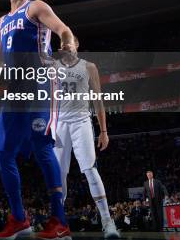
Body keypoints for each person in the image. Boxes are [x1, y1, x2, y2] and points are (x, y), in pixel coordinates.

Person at [0, 0, 74, 239]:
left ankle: (59, 220)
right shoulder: (2, 21)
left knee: (42, 146)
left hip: (39, 82)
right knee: (2, 152)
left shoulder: (36, 6)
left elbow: (63, 30)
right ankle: (19, 218)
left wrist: (68, 46)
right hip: (14, 89)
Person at [52, 36, 120, 238]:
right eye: (62, 41)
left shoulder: (89, 66)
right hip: (59, 124)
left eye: (69, 41)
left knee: (90, 170)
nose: (65, 44)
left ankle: (108, 222)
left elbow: (98, 100)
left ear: (77, 45)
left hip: (81, 121)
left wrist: (104, 131)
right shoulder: (52, 67)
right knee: (59, 174)